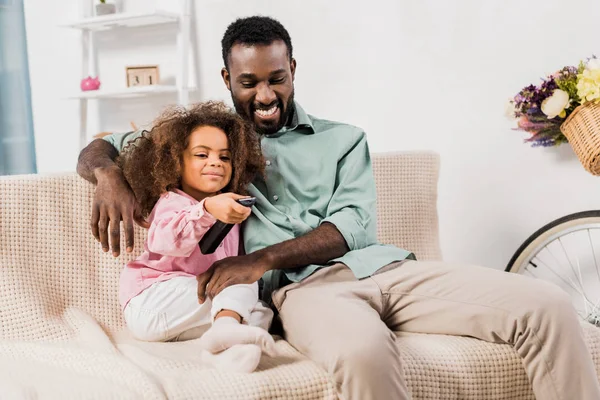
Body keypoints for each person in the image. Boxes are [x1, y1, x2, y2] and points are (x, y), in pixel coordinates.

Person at [77, 16, 600, 400]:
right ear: (226, 80)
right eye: (248, 81)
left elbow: (352, 226)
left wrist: (257, 260)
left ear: (292, 70)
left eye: (275, 77)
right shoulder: (210, 143)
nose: (265, 94)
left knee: (546, 306)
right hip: (304, 293)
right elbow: (101, 147)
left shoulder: (344, 140)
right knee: (363, 353)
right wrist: (107, 174)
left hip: (385, 268)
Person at [115, 101, 275, 373]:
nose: (215, 162)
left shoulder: (230, 207)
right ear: (175, 161)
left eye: (225, 157)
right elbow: (164, 240)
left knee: (260, 311)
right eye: (202, 155)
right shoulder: (173, 201)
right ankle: (225, 328)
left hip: (186, 312)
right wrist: (207, 209)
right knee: (240, 280)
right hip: (153, 300)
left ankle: (219, 352)